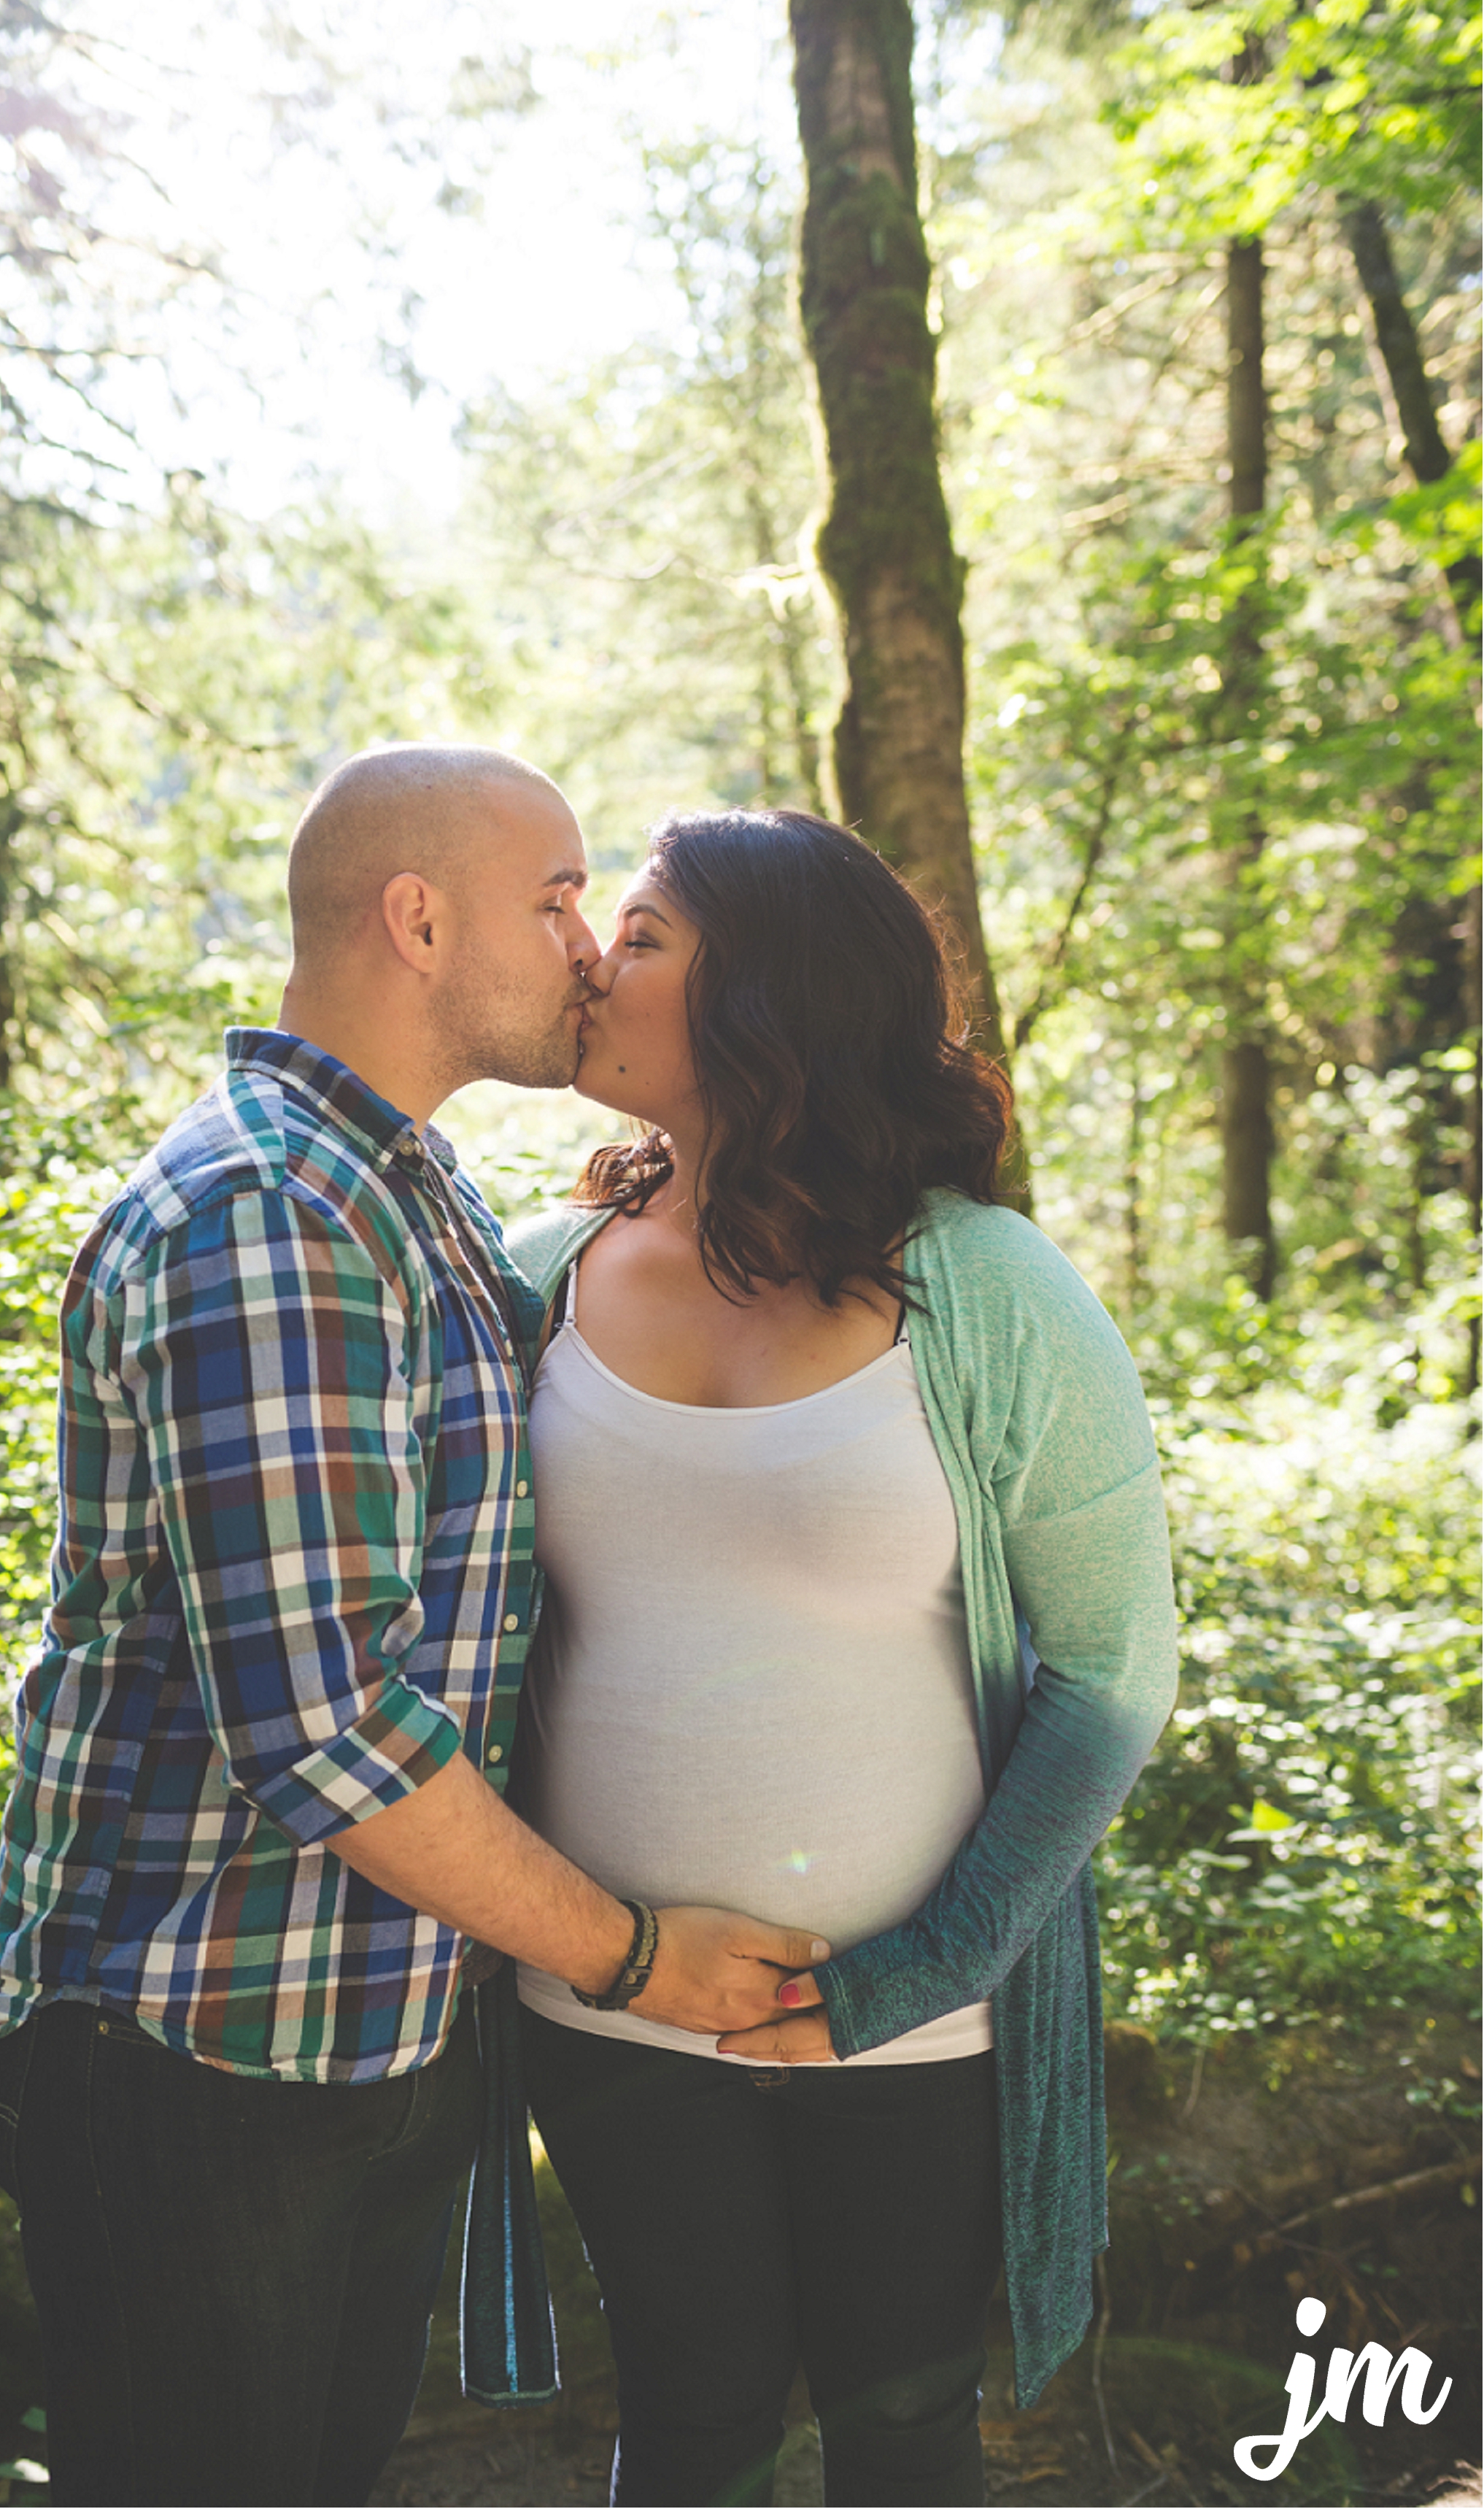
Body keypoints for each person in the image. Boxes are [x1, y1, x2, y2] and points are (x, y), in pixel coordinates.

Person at [0, 747, 829, 2509]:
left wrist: (674, 1184)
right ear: (416, 920)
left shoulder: (401, 1189)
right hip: (198, 2049)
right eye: (557, 896)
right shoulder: (271, 1217)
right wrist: (628, 1952)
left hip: (361, 2025)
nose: (588, 946)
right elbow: (320, 1731)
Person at [495, 807, 1180, 2509]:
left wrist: (921, 1968)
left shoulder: (990, 1293)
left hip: (913, 2020)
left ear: (768, 997)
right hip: (609, 1993)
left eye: (640, 935)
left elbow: (1108, 1674)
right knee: (688, 2420)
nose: (590, 959)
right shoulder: (527, 1279)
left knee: (901, 2431)